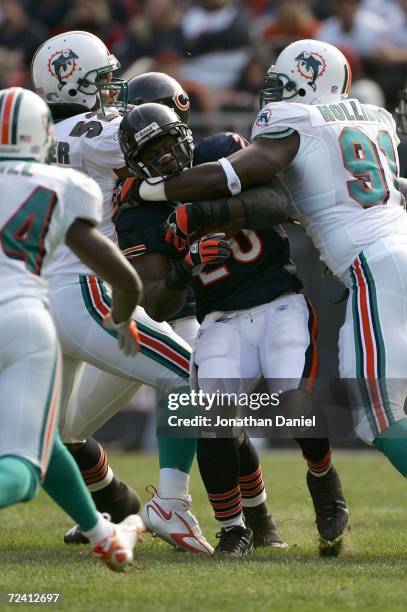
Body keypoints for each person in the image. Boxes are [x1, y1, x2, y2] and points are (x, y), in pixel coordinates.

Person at [136, 39, 407, 486]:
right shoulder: (374, 119)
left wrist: (159, 189)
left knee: (377, 413)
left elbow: (237, 172)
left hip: (375, 267)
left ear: (306, 84)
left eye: (283, 85)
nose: (274, 95)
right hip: (390, 249)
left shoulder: (294, 119)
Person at [117, 99, 349, 555]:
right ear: (135, 165)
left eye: (168, 143)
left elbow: (278, 202)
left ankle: (322, 477)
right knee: (215, 417)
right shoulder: (136, 214)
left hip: (279, 300)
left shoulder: (220, 153)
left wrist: (203, 215)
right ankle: (234, 528)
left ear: (184, 135)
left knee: (292, 397)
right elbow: (158, 303)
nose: (164, 157)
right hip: (221, 317)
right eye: (152, 153)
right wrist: (185, 269)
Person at [31, 30, 212, 554]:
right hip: (85, 291)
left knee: (57, 434)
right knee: (195, 374)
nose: (113, 91)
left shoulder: (41, 134)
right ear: (79, 81)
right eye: (104, 80)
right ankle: (171, 504)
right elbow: (166, 146)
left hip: (41, 299)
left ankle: (108, 514)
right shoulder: (94, 130)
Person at [0, 87, 144, 572]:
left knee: (41, 434)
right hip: (22, 321)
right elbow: (124, 277)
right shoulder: (62, 183)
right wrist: (121, 316)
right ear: (41, 134)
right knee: (21, 472)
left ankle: (102, 533)